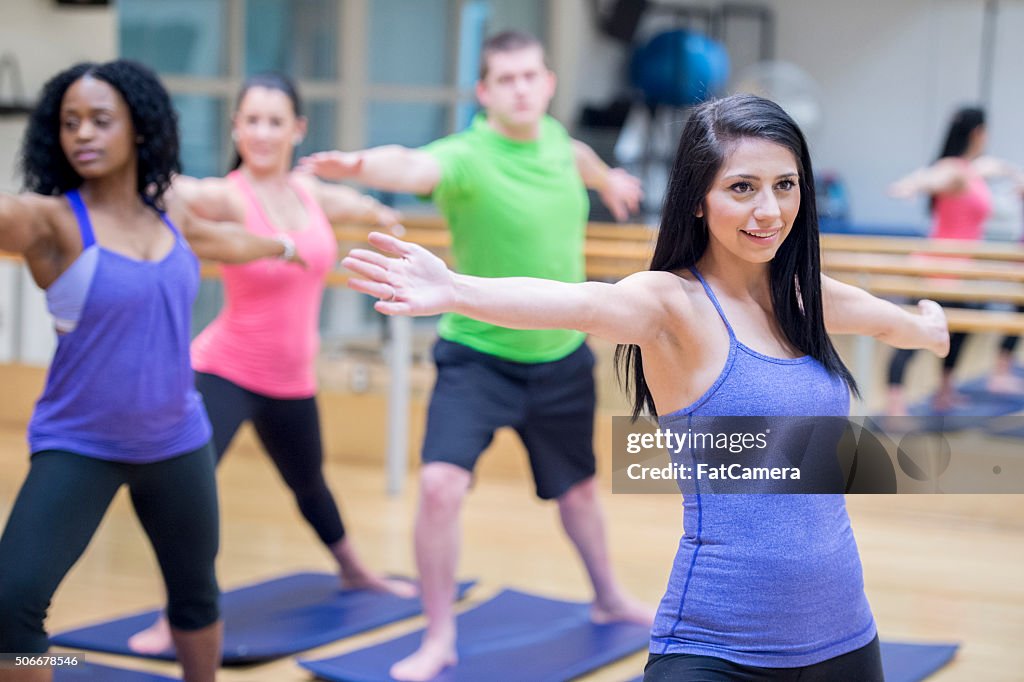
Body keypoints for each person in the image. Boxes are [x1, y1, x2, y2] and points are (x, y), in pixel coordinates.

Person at [342, 94, 950, 681]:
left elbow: (882, 318)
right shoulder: (672, 305)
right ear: (697, 201)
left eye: (784, 185)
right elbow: (581, 303)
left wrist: (927, 328)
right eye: (742, 188)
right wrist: (456, 290)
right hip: (717, 645)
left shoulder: (801, 297)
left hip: (845, 633)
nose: (769, 210)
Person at [301, 30, 650, 681]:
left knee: (577, 494)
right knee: (439, 487)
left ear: (547, 84)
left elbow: (580, 159)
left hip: (561, 357)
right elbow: (411, 165)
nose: (520, 88)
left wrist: (613, 181)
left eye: (530, 76)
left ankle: (607, 595)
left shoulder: (559, 144)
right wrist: (360, 166)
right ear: (485, 92)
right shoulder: (466, 155)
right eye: (505, 80)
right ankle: (439, 637)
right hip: (477, 358)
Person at [0, 61, 305, 682]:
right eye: (69, 123)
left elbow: (229, 242)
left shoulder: (171, 216)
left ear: (138, 129)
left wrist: (288, 247)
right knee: (10, 612)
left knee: (195, 596)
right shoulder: (49, 220)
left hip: (177, 440)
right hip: (79, 444)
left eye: (100, 121)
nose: (83, 133)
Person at [125, 71, 416, 655]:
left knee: (309, 483)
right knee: (190, 489)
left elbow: (347, 201)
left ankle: (355, 569)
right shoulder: (230, 193)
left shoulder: (308, 194)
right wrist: (134, 166)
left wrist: (378, 212)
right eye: (250, 120)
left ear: (297, 129)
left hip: (291, 379)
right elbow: (181, 190)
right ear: (235, 127)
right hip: (223, 370)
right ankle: (174, 616)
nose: (261, 132)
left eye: (274, 121)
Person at [887, 106, 1024, 411]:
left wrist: (1016, 178)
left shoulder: (972, 169)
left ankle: (945, 390)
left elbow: (996, 166)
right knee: (916, 334)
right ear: (979, 133)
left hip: (962, 270)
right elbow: (933, 177)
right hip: (938, 268)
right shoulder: (955, 171)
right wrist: (911, 186)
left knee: (961, 330)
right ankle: (895, 403)